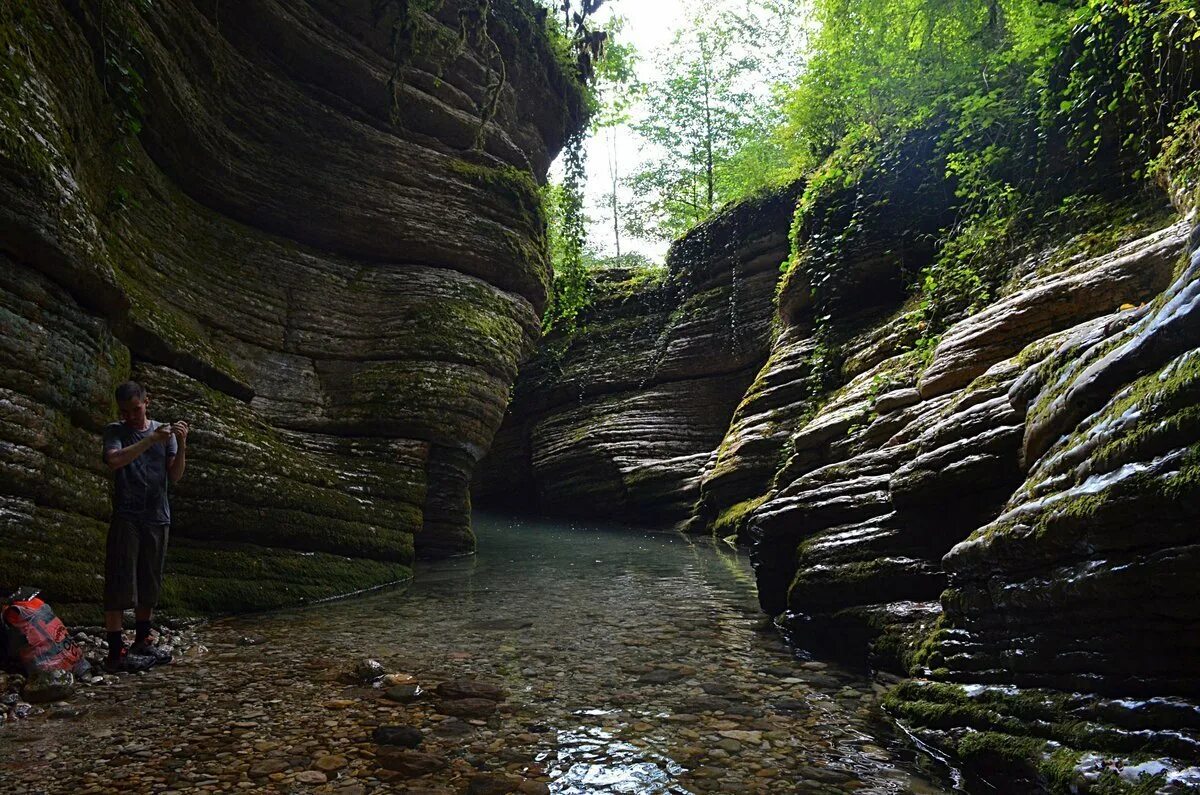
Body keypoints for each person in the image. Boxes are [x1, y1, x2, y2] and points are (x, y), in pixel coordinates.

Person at [101, 381, 189, 672]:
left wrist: (182, 443)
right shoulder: (116, 431)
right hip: (127, 515)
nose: (130, 416)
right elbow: (114, 460)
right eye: (125, 411)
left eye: (135, 410)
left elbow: (174, 476)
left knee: (150, 579)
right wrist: (150, 439)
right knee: (120, 579)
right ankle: (115, 652)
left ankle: (142, 640)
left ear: (146, 402)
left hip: (157, 515)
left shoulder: (165, 434)